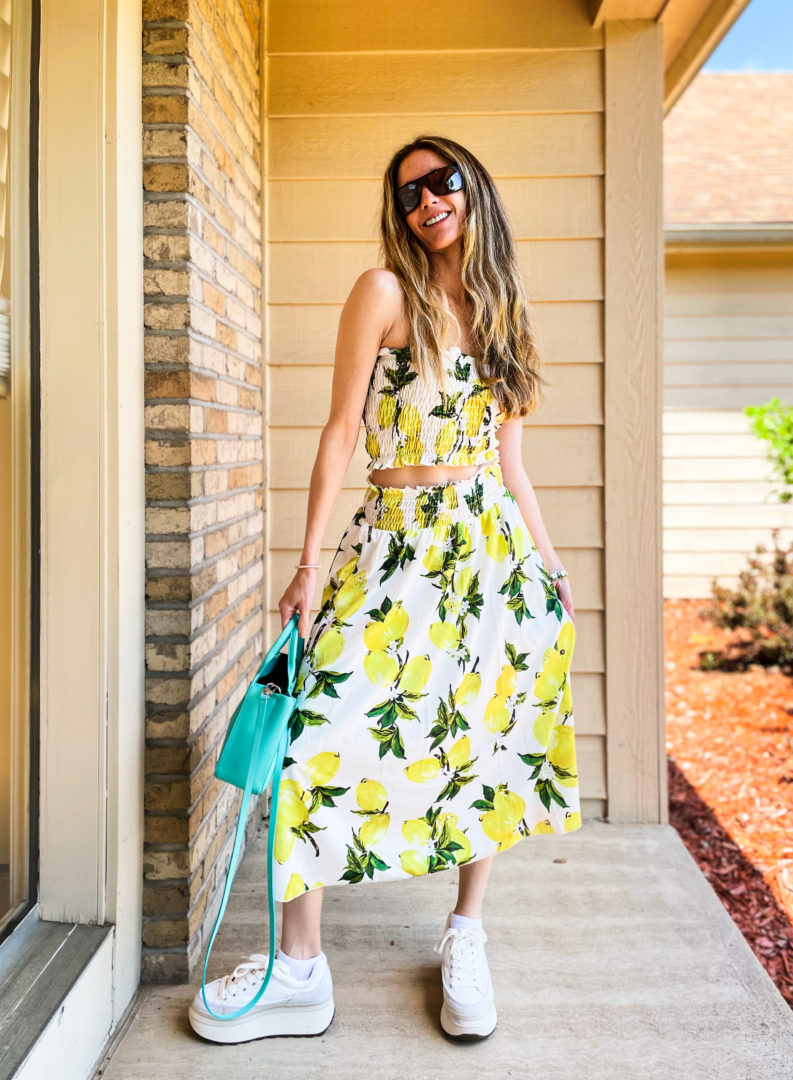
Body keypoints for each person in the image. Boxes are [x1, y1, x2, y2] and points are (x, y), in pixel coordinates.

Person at [188, 134, 581, 1045]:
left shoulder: (506, 314)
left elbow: (510, 466)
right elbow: (337, 435)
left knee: (486, 736)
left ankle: (466, 934)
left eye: (442, 183)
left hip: (493, 557)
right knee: (311, 738)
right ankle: (300, 969)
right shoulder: (384, 293)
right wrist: (308, 561)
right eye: (409, 194)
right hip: (395, 545)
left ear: (473, 189)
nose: (427, 202)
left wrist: (552, 566)